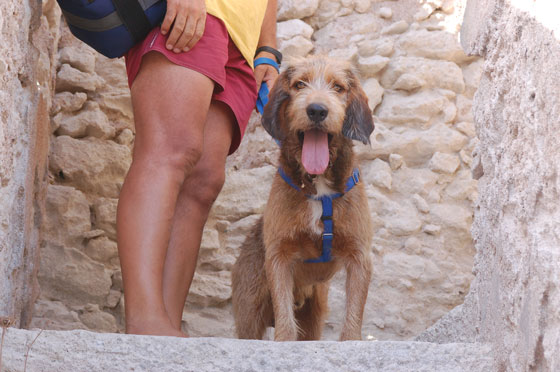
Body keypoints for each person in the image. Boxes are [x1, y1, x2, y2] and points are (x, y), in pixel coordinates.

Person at [116, 0, 279, 337]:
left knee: (203, 181)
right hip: (197, 8)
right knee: (169, 150)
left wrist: (267, 48)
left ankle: (166, 326)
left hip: (242, 39)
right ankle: (145, 322)